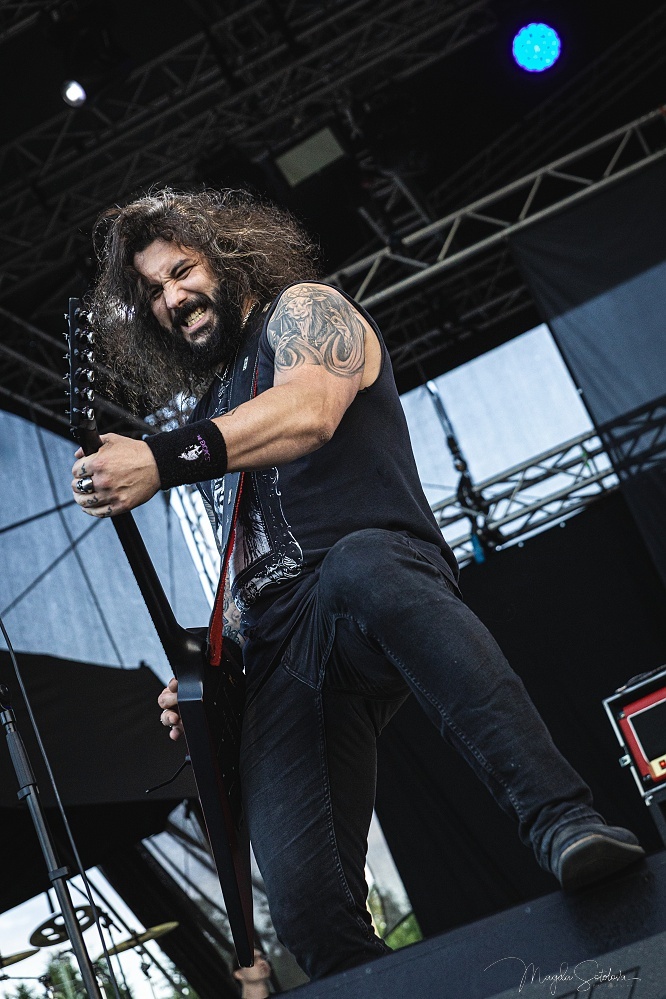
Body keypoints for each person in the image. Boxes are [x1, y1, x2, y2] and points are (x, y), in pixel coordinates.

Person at [70, 188, 645, 982]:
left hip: (364, 587)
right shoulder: (209, 405)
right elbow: (249, 562)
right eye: (152, 293)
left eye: (181, 270)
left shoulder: (308, 312)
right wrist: (210, 672)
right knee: (309, 916)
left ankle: (562, 820)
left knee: (360, 565)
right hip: (280, 652)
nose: (172, 298)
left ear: (227, 256)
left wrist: (161, 459)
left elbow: (308, 411)